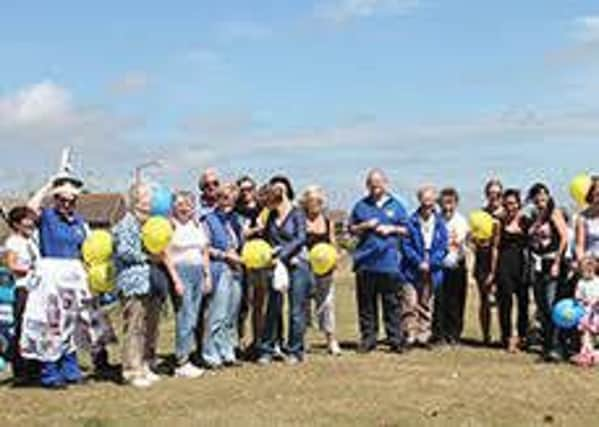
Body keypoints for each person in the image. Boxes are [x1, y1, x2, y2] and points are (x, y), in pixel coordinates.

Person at [26, 177, 88, 387]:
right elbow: (30, 207)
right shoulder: (47, 217)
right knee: (51, 324)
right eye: (62, 200)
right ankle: (50, 372)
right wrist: (49, 184)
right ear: (55, 199)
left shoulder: (79, 222)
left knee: (71, 323)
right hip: (51, 276)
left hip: (73, 276)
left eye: (71, 201)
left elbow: (85, 248)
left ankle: (70, 368)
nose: (67, 204)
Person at [113, 183, 172, 388]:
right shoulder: (127, 223)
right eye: (148, 197)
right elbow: (124, 251)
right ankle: (131, 370)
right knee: (134, 328)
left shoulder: (146, 224)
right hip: (133, 283)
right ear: (137, 200)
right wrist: (148, 257)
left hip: (148, 282)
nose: (152, 201)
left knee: (148, 327)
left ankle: (144, 364)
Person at [349, 169, 408, 354]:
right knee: (366, 304)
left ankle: (395, 339)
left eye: (378, 183)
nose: (375, 188)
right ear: (367, 185)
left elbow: (407, 230)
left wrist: (391, 229)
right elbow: (350, 229)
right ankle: (368, 339)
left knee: (392, 304)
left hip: (389, 263)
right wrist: (364, 226)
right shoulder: (360, 206)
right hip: (366, 262)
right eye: (372, 184)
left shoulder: (397, 205)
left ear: (385, 183)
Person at [258, 176, 312, 365]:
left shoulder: (297, 213)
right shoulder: (271, 216)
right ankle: (268, 348)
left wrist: (282, 254)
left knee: (296, 310)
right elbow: (266, 238)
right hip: (276, 266)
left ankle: (295, 350)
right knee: (273, 307)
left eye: (269, 200)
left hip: (297, 265)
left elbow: (301, 238)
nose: (267, 205)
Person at [166, 191, 212, 378]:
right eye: (180, 204)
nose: (185, 208)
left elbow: (205, 250)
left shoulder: (198, 225)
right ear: (174, 207)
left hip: (198, 271)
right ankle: (181, 361)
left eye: (188, 204)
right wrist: (175, 279)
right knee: (185, 316)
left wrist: (207, 275)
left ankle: (189, 356)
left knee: (194, 317)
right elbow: (166, 253)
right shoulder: (170, 226)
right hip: (181, 271)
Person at [203, 183, 244, 368]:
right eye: (225, 198)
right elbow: (204, 247)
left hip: (236, 270)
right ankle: (211, 354)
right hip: (219, 269)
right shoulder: (208, 219)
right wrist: (224, 255)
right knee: (217, 314)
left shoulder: (236, 219)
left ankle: (227, 352)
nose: (229, 202)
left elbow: (239, 243)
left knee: (231, 314)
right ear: (218, 198)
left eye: (233, 199)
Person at [401, 185, 448, 348]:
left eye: (431, 202)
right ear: (420, 201)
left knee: (426, 303)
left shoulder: (440, 222)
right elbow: (406, 245)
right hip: (412, 268)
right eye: (424, 201)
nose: (428, 205)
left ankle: (423, 336)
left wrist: (431, 262)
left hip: (432, 267)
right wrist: (418, 261)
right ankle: (410, 335)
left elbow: (443, 247)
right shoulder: (411, 221)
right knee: (410, 302)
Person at [527, 183, 569, 362]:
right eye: (537, 196)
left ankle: (557, 346)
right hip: (538, 264)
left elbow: (565, 237)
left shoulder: (554, 212)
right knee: (542, 306)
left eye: (544, 195)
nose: (540, 199)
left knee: (553, 306)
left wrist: (557, 262)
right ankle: (547, 344)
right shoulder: (536, 216)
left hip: (552, 263)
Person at [301, 185, 341, 356]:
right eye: (310, 201)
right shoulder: (299, 220)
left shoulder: (327, 221)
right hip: (304, 268)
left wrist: (335, 258)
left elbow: (333, 243)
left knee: (327, 305)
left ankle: (331, 340)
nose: (314, 204)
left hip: (325, 270)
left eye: (317, 201)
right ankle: (301, 340)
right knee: (303, 306)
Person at [4, 206, 40, 385]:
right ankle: (20, 369)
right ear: (17, 223)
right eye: (26, 220)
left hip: (36, 289)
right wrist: (32, 269)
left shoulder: (31, 241)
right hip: (23, 290)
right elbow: (11, 265)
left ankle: (34, 367)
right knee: (22, 330)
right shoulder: (13, 242)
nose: (30, 223)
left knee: (35, 329)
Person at [493, 189, 529, 352]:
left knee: (523, 302)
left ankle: (522, 337)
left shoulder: (526, 221)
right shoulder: (499, 222)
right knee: (505, 302)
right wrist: (493, 271)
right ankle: (507, 336)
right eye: (507, 204)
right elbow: (495, 247)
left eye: (513, 203)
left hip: (522, 264)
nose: (510, 207)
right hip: (504, 264)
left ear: (519, 203)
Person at [433, 188, 469, 346]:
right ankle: (439, 334)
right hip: (439, 265)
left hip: (456, 264)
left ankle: (454, 335)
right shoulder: (435, 219)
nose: (447, 206)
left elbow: (460, 242)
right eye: (444, 202)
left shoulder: (461, 221)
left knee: (456, 301)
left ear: (456, 203)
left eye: (451, 202)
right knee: (440, 301)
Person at [472, 178, 503, 345]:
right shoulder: (480, 214)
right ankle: (486, 337)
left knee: (503, 300)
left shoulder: (507, 212)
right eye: (491, 194)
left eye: (498, 194)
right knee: (484, 300)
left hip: (503, 262)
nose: (494, 197)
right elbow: (473, 238)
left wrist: (494, 270)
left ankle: (506, 336)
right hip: (482, 261)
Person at [235, 175, 262, 354]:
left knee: (260, 303)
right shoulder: (236, 211)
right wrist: (254, 230)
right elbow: (239, 235)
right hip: (241, 261)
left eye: (249, 189)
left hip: (261, 262)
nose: (246, 193)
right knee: (242, 303)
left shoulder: (263, 209)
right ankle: (240, 341)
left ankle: (259, 341)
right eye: (242, 189)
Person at [571, 256, 599, 367]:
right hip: (585, 312)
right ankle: (586, 353)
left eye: (589, 271)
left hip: (596, 312)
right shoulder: (581, 283)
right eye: (584, 272)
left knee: (594, 333)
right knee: (585, 333)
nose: (586, 274)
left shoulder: (597, 281)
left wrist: (596, 301)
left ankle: (593, 352)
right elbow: (577, 296)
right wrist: (582, 301)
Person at [575, 176, 599, 265]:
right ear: (591, 195)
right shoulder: (582, 218)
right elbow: (579, 246)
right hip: (592, 264)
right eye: (597, 194)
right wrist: (582, 263)